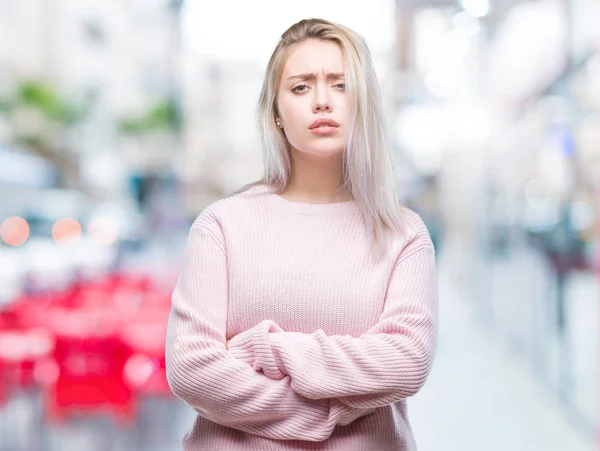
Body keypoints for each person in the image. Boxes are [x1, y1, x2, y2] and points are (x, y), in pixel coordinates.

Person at [165, 18, 438, 451]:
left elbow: (405, 362)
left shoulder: (402, 233)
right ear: (276, 111)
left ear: (363, 101)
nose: (323, 101)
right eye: (301, 87)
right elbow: (192, 368)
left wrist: (264, 349)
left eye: (340, 84)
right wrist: (325, 413)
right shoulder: (222, 225)